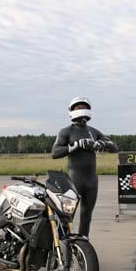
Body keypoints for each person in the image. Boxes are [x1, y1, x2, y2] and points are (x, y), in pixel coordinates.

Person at [52, 97, 118, 237]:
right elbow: (55, 153)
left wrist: (103, 144)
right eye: (78, 107)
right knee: (67, 216)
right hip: (74, 180)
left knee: (86, 215)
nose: (81, 109)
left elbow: (115, 147)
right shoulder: (66, 131)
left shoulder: (93, 131)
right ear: (71, 111)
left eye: (84, 106)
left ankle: (83, 243)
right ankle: (62, 246)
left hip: (91, 181)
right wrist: (75, 145)